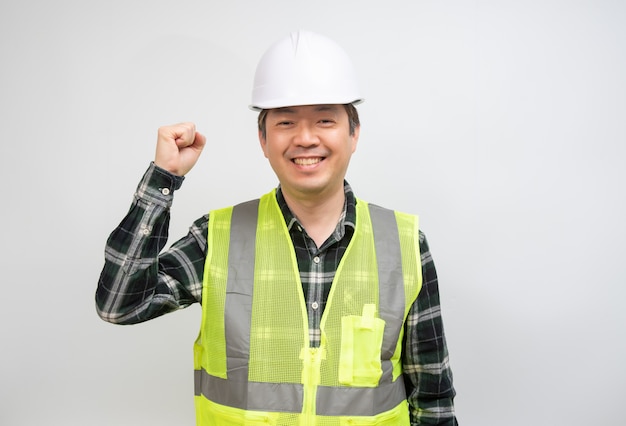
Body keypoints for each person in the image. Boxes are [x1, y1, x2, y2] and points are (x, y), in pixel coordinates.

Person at [97, 30, 458, 425]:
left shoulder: (403, 244)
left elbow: (433, 397)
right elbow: (120, 304)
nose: (305, 138)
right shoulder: (219, 237)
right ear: (263, 139)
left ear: (354, 134)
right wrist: (163, 179)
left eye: (325, 119)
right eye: (286, 122)